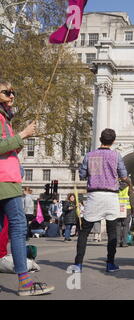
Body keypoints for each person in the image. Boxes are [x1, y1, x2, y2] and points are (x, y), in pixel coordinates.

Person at [0, 79, 54, 295]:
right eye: (6, 92)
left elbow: (7, 148)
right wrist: (21, 135)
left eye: (13, 92)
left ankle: (24, 280)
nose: (11, 96)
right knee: (19, 226)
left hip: (9, 179)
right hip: (4, 180)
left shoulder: (5, 118)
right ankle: (24, 281)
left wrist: (18, 142)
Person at [74, 128, 128, 273]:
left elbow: (83, 174)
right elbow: (123, 175)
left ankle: (78, 264)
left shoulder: (90, 155)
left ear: (100, 139)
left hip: (94, 195)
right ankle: (110, 263)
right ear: (113, 141)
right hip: (111, 196)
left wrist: (95, 173)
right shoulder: (116, 156)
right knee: (112, 232)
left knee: (84, 231)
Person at [117, 179, 134, 247]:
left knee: (118, 226)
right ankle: (124, 242)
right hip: (127, 209)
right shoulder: (129, 189)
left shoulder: (117, 188)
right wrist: (133, 209)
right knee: (125, 226)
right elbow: (131, 200)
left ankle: (118, 242)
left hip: (118, 208)